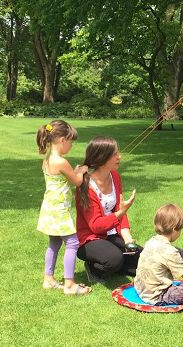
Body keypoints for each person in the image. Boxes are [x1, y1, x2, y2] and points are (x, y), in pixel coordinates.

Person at [36, 120, 91, 295]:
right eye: (70, 141)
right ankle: (69, 284)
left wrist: (74, 171)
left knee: (54, 242)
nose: (71, 145)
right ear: (62, 140)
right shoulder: (61, 161)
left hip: (50, 208)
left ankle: (48, 279)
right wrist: (81, 171)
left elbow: (63, 179)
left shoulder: (48, 159)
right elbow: (76, 182)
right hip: (59, 210)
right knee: (73, 242)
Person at [75, 136, 139, 284]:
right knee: (114, 259)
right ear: (102, 157)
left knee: (140, 258)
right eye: (115, 154)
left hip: (111, 232)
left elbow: (119, 208)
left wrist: (128, 238)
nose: (119, 157)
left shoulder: (115, 176)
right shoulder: (86, 185)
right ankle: (93, 267)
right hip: (90, 238)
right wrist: (120, 212)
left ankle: (120, 265)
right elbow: (96, 226)